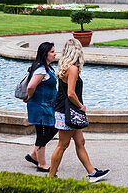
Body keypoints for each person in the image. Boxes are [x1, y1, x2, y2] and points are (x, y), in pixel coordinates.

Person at [48, 37, 109, 182]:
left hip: (66, 111)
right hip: (68, 112)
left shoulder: (64, 65)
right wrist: (81, 107)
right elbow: (70, 93)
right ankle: (51, 177)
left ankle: (92, 173)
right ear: (77, 52)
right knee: (62, 145)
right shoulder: (73, 69)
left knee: (80, 141)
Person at [23, 41, 57, 173]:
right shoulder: (41, 69)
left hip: (47, 106)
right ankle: (42, 164)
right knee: (42, 134)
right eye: (52, 52)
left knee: (53, 129)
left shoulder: (47, 68)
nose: (55, 54)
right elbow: (31, 86)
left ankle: (33, 154)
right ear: (45, 54)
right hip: (40, 107)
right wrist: (30, 97)